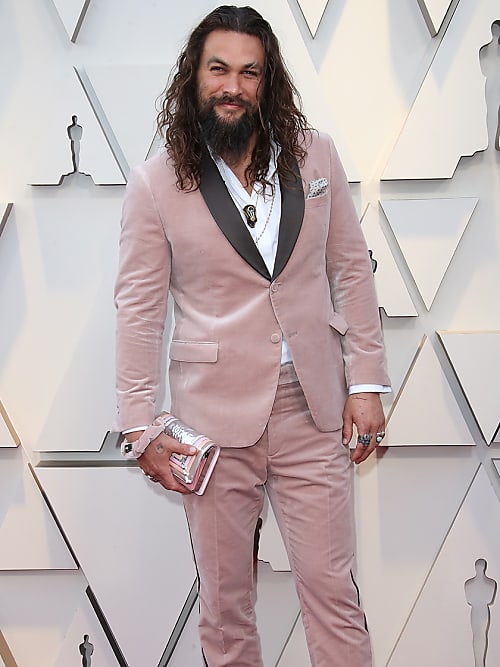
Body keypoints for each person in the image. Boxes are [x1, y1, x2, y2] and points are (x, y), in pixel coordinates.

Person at [114, 6, 390, 666]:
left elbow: (349, 267)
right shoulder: (156, 183)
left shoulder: (313, 152)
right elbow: (138, 310)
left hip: (313, 408)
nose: (232, 85)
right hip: (211, 422)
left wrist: (368, 381)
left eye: (249, 72)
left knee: (333, 593)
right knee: (225, 604)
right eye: (218, 69)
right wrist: (138, 426)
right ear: (194, 78)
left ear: (268, 83)